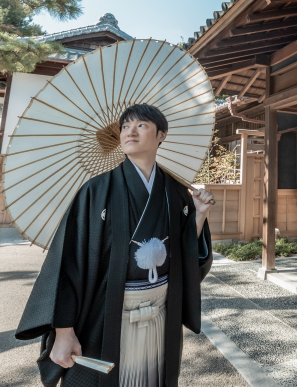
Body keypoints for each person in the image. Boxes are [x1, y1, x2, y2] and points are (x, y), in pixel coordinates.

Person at [15, 103, 214, 387]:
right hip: (104, 316)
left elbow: (185, 255)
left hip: (160, 314)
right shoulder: (95, 191)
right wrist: (63, 330)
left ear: (161, 135)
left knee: (155, 379)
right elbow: (68, 263)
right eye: (125, 127)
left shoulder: (177, 192)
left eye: (141, 125)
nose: (130, 132)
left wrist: (199, 215)